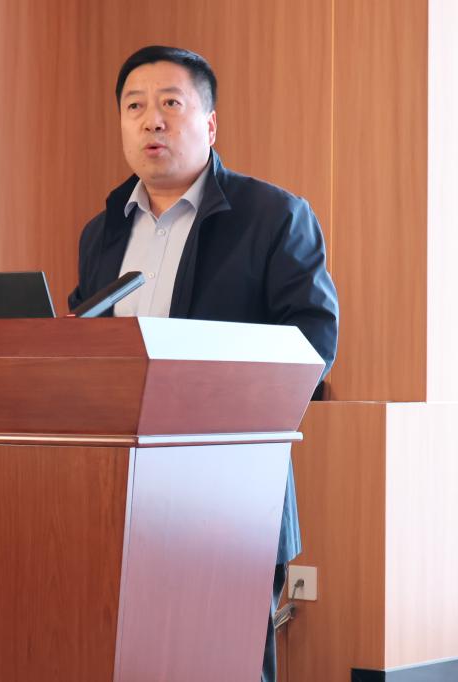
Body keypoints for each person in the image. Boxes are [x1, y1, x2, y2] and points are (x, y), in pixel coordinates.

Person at [67, 45, 339, 682]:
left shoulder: (273, 216)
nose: (152, 120)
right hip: (117, 492)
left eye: (171, 103)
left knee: (227, 663)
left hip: (230, 493)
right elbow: (88, 347)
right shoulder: (102, 232)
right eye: (135, 106)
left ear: (210, 124)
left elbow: (312, 339)